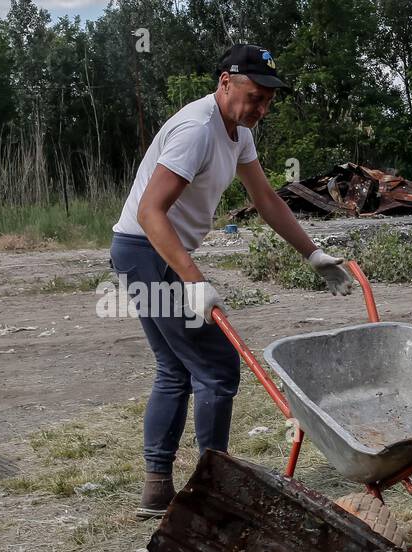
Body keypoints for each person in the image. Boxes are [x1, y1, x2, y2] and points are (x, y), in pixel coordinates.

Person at [111, 44, 355, 519]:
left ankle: (158, 489)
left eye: (268, 99)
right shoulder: (196, 131)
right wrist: (194, 281)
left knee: (175, 369)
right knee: (218, 367)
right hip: (144, 252)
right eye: (255, 95)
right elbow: (149, 211)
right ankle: (213, 487)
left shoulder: (237, 131)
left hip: (146, 251)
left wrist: (314, 254)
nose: (262, 108)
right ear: (225, 81)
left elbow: (266, 199)